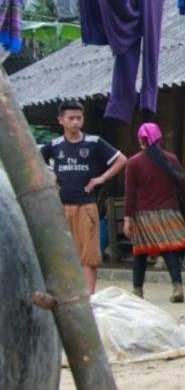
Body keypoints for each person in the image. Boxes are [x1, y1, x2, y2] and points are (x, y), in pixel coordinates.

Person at [40, 100, 125, 294]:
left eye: (79, 118)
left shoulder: (94, 142)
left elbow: (121, 160)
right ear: (61, 120)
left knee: (89, 255)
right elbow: (34, 162)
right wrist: (50, 178)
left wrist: (100, 178)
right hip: (61, 208)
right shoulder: (54, 145)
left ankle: (89, 296)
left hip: (86, 206)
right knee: (62, 253)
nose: (76, 122)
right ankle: (66, 293)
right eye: (71, 118)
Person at [123, 122, 185, 302]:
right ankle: (177, 288)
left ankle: (137, 291)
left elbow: (130, 193)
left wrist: (127, 218)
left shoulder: (133, 162)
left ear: (141, 140)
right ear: (159, 138)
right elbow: (182, 186)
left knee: (140, 252)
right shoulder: (171, 159)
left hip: (143, 214)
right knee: (170, 252)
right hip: (168, 212)